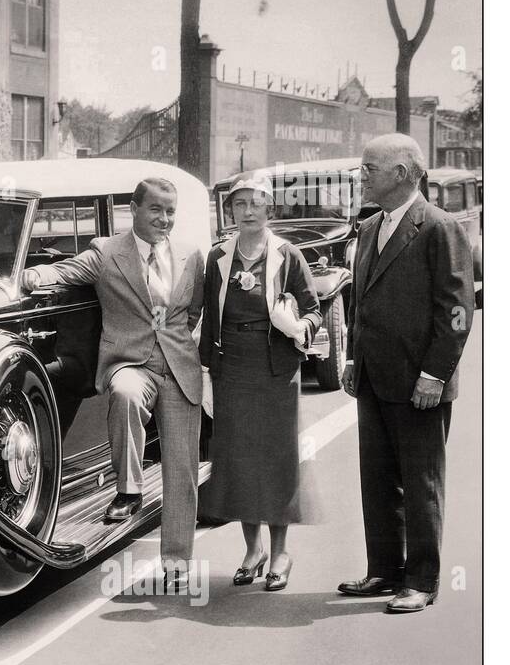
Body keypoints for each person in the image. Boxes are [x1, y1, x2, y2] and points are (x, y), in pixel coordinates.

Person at [23, 176, 206, 590]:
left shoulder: (192, 255)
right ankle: (129, 490)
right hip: (129, 365)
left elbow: (193, 312)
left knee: (182, 467)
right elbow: (65, 271)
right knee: (123, 394)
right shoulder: (107, 253)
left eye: (171, 211)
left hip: (178, 367)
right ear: (134, 209)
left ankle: (177, 563)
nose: (164, 219)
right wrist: (35, 276)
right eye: (156, 209)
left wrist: (179, 347)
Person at [339, 134, 475, 613]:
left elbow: (457, 311)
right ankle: (384, 570)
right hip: (374, 378)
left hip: (420, 384)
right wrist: (354, 359)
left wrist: (435, 375)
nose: (362, 176)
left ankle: (421, 580)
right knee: (377, 480)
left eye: (369, 168)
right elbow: (360, 302)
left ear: (401, 173)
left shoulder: (439, 228)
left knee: (421, 484)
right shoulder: (371, 227)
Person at [198, 173, 323, 591]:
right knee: (237, 459)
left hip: (275, 371)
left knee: (275, 459)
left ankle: (281, 551)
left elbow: (314, 310)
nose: (247, 211)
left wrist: (297, 325)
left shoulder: (288, 255)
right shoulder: (218, 258)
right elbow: (207, 319)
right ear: (230, 211)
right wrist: (204, 373)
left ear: (270, 208)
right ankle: (253, 549)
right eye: (239, 205)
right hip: (230, 370)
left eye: (255, 203)